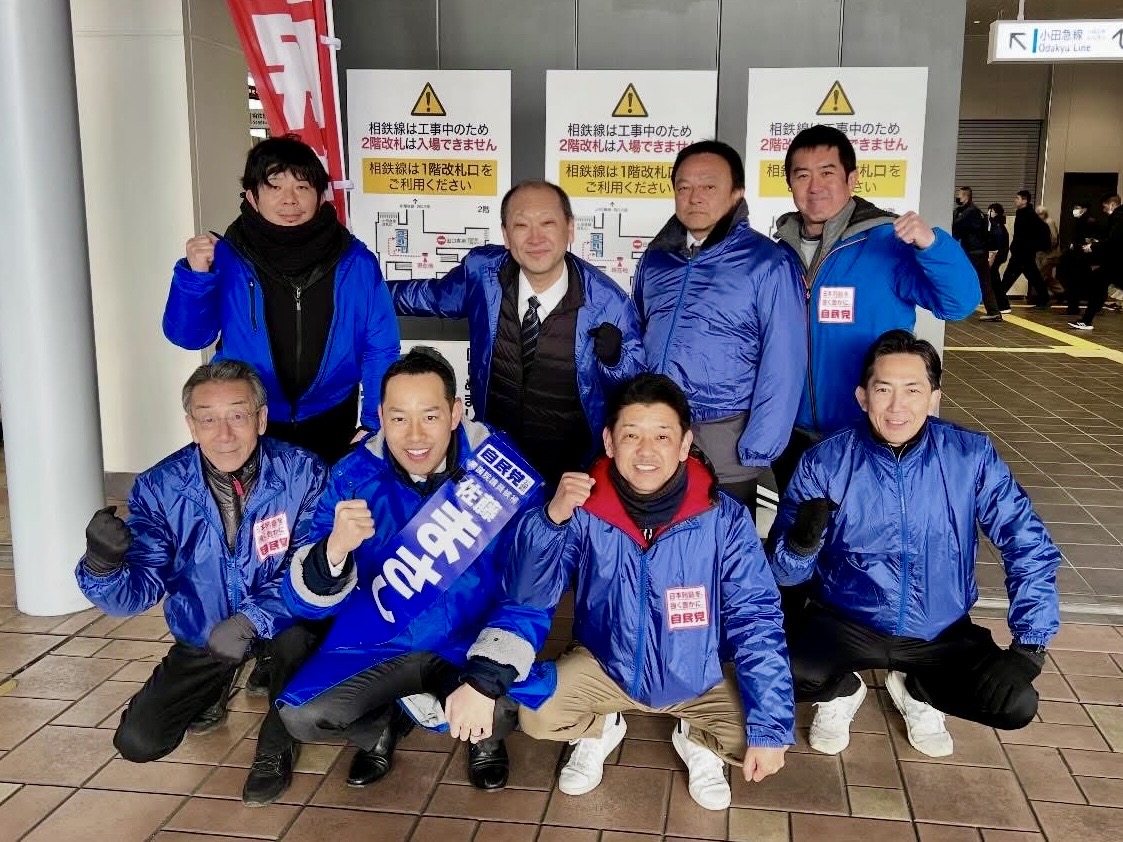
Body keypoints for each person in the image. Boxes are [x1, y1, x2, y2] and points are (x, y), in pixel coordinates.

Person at [500, 373, 793, 811]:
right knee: (538, 715)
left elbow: (757, 617)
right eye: (631, 435)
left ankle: (698, 738)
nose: (646, 451)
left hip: (699, 674)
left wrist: (769, 727)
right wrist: (551, 520)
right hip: (607, 665)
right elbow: (528, 592)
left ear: (684, 444)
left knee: (757, 734)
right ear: (609, 442)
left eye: (662, 436)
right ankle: (602, 727)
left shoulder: (723, 518)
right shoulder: (584, 509)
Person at [768, 330, 1060, 759]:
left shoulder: (970, 456)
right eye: (883, 390)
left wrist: (1030, 645)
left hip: (939, 627)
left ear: (934, 398)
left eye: (912, 390)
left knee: (1014, 704)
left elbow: (1027, 544)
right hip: (847, 620)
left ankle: (919, 689)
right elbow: (784, 573)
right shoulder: (825, 461)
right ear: (863, 397)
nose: (897, 406)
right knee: (770, 670)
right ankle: (842, 691)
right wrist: (800, 544)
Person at [276, 347, 554, 791]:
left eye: (430, 416)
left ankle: (484, 738)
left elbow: (530, 592)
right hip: (382, 642)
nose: (415, 435)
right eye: (399, 418)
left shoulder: (502, 475)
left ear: (455, 413)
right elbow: (301, 601)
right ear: (381, 417)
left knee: (503, 704)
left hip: (468, 640)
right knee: (303, 716)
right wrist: (334, 551)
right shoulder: (352, 477)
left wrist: (485, 680)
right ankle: (382, 726)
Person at [74, 361, 327, 805]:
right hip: (207, 633)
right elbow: (136, 593)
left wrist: (251, 620)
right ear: (192, 426)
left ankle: (277, 740)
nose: (223, 434)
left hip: (284, 620)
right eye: (208, 419)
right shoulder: (160, 487)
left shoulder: (303, 472)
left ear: (261, 419)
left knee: (297, 641)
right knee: (139, 741)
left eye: (237, 415)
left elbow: (309, 565)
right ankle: (219, 680)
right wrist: (102, 566)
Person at [163, 135, 401, 467]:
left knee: (326, 497)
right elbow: (189, 337)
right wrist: (195, 276)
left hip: (332, 416)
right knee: (257, 501)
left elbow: (380, 348)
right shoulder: (225, 258)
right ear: (252, 197)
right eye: (275, 187)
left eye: (302, 187)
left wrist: (374, 425)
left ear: (320, 195)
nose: (290, 199)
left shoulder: (356, 262)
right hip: (249, 417)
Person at [389, 181, 644, 489]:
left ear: (570, 228)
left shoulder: (608, 302)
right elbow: (431, 297)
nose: (535, 238)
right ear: (506, 235)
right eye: (521, 225)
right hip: (496, 463)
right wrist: (368, 292)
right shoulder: (483, 274)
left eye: (548, 223)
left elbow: (635, 387)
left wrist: (615, 361)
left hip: (573, 471)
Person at [769, 125, 979, 496]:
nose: (815, 186)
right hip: (793, 435)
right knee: (800, 526)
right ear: (789, 183)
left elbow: (958, 303)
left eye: (827, 173)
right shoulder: (779, 254)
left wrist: (932, 246)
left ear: (851, 179)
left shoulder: (887, 242)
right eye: (802, 175)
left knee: (863, 529)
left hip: (868, 431)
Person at [633, 140, 805, 515]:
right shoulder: (656, 259)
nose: (694, 197)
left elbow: (784, 361)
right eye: (684, 187)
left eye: (709, 186)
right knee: (656, 535)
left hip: (726, 439)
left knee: (722, 539)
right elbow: (639, 333)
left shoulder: (768, 262)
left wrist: (759, 446)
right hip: (657, 430)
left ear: (736, 193)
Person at [1069, 193, 1122, 331]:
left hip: (1116, 261)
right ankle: (1086, 320)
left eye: (1104, 206)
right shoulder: (1117, 218)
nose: (1103, 210)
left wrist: (1093, 246)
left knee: (1098, 285)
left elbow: (1114, 241)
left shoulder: (1119, 218)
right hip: (1114, 261)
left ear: (1112, 204)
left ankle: (1086, 320)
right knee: (1098, 285)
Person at [953, 186, 1001, 321]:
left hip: (973, 253)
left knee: (963, 277)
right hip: (979, 252)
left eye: (959, 195)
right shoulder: (975, 211)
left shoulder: (970, 212)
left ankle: (959, 307)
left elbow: (955, 227)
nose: (957, 197)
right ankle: (994, 311)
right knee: (984, 282)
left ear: (966, 197)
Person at [999, 190, 1052, 311]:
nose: (1015, 200)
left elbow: (1030, 234)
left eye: (1017, 198)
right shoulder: (1022, 213)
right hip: (1022, 253)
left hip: (1023, 253)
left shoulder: (1029, 216)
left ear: (1024, 200)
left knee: (1009, 277)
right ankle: (1044, 299)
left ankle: (998, 299)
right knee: (1034, 277)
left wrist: (1029, 247)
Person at [1060, 201, 1096, 316]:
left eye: (1077, 207)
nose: (1075, 210)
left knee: (1075, 283)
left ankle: (1074, 308)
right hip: (1077, 256)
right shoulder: (1080, 221)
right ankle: (1073, 307)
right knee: (1075, 283)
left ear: (1084, 209)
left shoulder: (1088, 222)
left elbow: (1089, 240)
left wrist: (1076, 245)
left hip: (1080, 257)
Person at [984, 203, 1012, 319]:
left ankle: (1003, 305)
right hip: (998, 256)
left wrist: (991, 258)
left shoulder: (997, 226)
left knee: (995, 281)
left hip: (996, 256)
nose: (988, 213)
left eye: (989, 211)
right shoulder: (997, 224)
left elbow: (995, 245)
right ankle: (1002, 305)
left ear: (994, 212)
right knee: (994, 280)